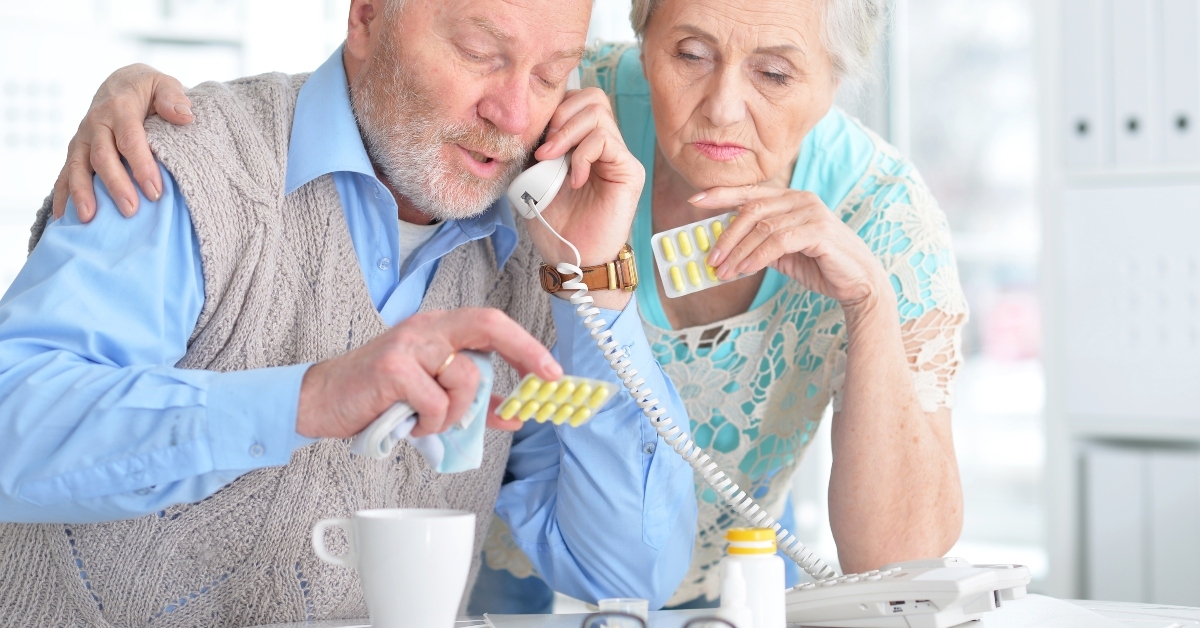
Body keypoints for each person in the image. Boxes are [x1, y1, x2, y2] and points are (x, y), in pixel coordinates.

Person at [46, 0, 969, 613]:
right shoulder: (549, 115)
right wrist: (147, 100)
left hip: (721, 582)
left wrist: (870, 312)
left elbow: (897, 562)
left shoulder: (874, 218)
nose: (722, 107)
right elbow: (388, 88)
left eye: (774, 74)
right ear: (640, 46)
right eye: (688, 54)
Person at [0, 0, 699, 624]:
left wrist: (594, 279)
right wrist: (310, 398)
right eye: (481, 55)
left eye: (550, 76)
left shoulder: (534, 246)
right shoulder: (187, 163)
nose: (514, 116)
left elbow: (627, 574)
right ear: (366, 16)